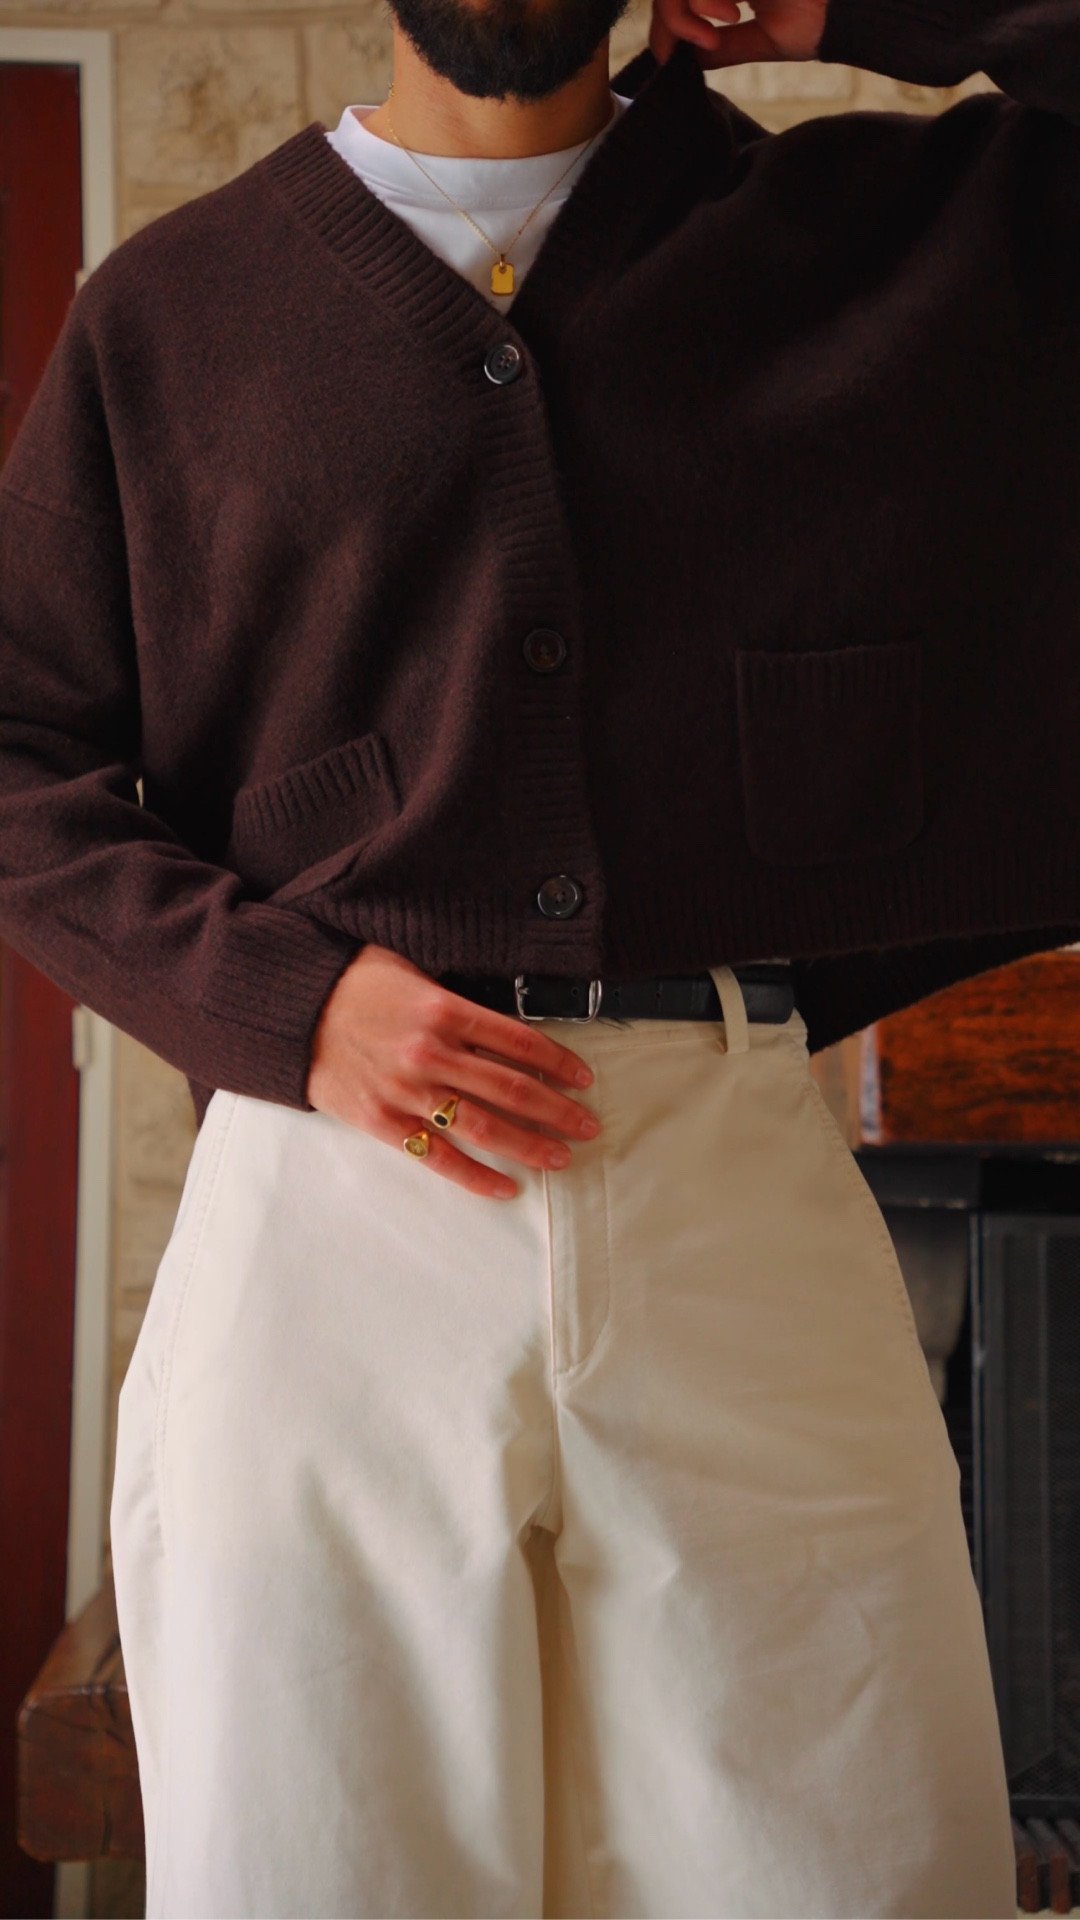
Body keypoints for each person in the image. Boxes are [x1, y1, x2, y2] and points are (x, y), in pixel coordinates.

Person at [1, 0, 1078, 1906]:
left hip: (733, 1180)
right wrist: (285, 1006)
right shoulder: (172, 311)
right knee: (320, 1866)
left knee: (856, 1864)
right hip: (328, 1202)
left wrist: (853, 5)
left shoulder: (863, 238)